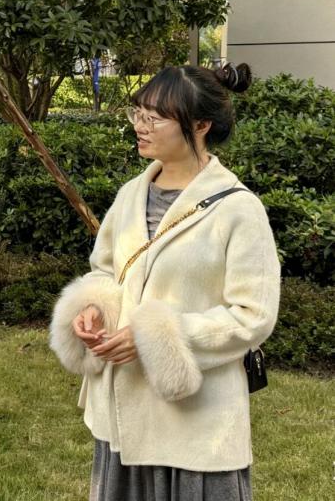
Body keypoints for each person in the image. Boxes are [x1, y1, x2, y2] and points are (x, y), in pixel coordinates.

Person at [50, 64, 280, 501]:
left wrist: (154, 337)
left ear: (200, 125)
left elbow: (254, 315)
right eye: (137, 113)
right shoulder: (129, 195)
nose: (140, 126)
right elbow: (107, 270)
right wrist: (93, 307)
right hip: (120, 414)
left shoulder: (239, 210)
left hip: (194, 421)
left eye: (154, 118)